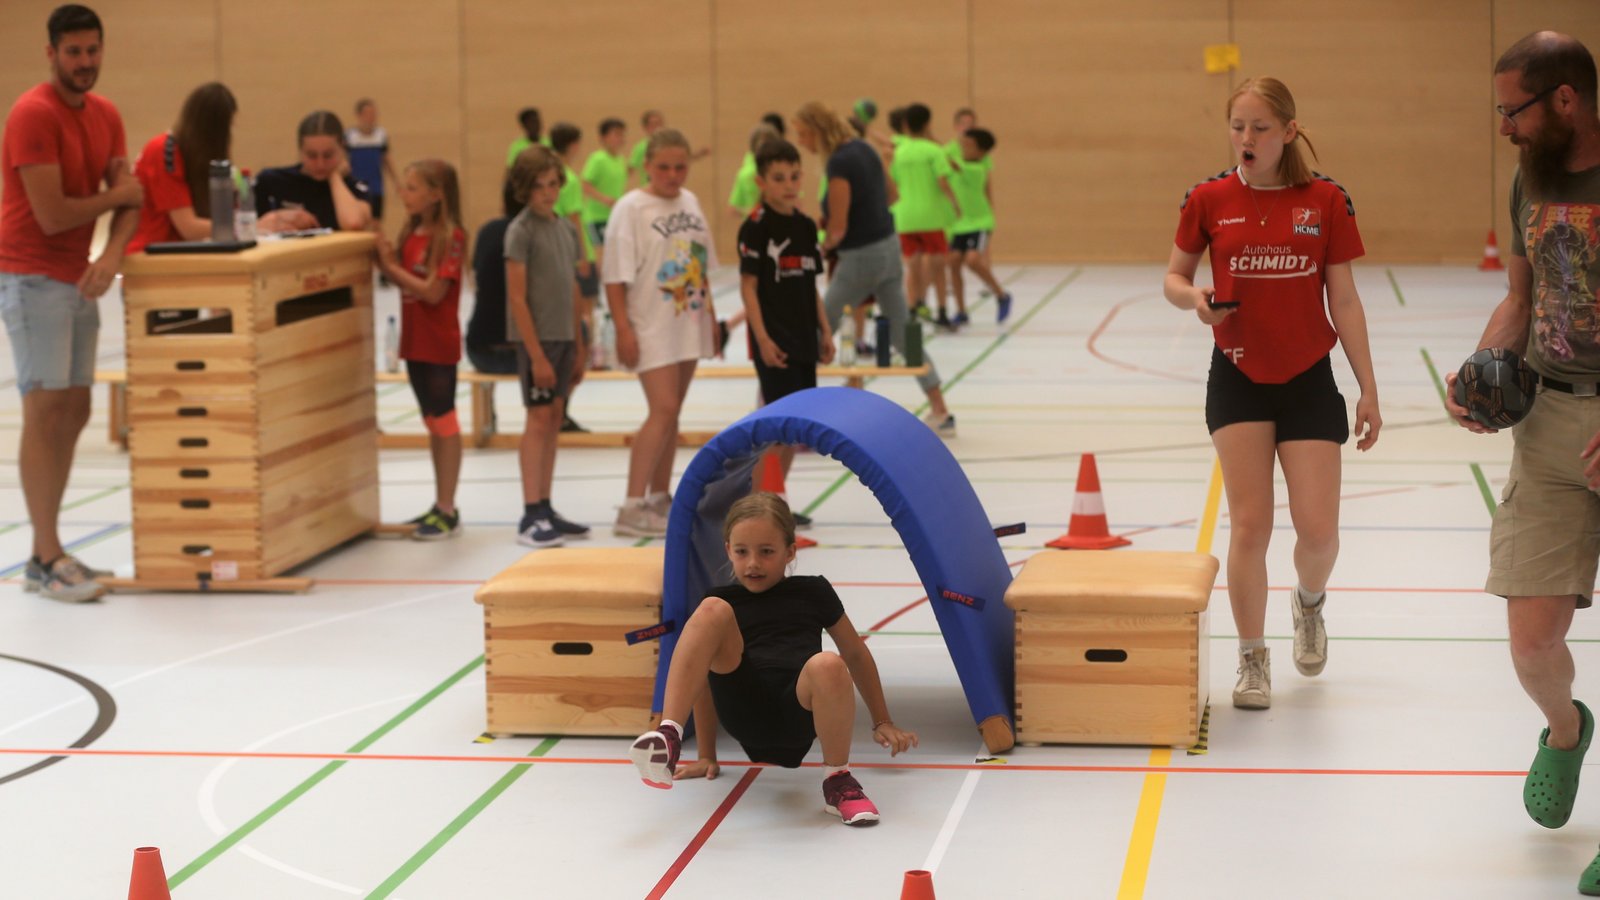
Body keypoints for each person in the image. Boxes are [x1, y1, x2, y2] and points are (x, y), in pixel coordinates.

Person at [1163, 76, 1380, 710]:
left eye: (1260, 127)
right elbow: (1175, 277)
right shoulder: (1208, 197)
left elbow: (1343, 298)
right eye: (1238, 127)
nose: (1247, 139)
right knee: (1250, 526)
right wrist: (1195, 298)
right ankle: (1252, 658)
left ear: (1288, 131)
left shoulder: (1326, 200)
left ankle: (1308, 603)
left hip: (1309, 376)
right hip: (1237, 375)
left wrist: (1368, 388)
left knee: (1319, 534)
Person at [1450, 31, 1600, 894]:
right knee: (1534, 644)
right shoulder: (1530, 177)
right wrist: (1481, 373)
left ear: (1566, 100)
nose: (1504, 127)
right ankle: (1567, 731)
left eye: (1514, 110)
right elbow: (1520, 296)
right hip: (1548, 426)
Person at [629, 493, 917, 825]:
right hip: (743, 706)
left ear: (790, 551)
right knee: (712, 610)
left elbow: (854, 653)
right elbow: (704, 679)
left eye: (766, 552)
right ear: (727, 551)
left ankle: (838, 781)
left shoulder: (813, 591)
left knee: (829, 663)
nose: (753, 563)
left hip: (798, 711)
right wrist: (707, 754)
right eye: (742, 552)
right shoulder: (720, 600)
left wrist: (883, 721)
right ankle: (670, 735)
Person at [2, 3, 141, 603]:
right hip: (31, 276)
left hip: (79, 273)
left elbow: (131, 202)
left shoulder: (105, 114)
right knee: (45, 409)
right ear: (52, 53)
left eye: (93, 51)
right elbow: (54, 213)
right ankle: (46, 552)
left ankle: (47, 551)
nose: (85, 63)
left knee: (78, 408)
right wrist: (117, 195)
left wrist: (110, 256)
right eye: (74, 52)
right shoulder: (33, 114)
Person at [792, 101, 957, 437]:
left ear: (816, 132)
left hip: (861, 257)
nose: (801, 143)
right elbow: (892, 196)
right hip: (889, 248)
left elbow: (838, 227)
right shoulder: (865, 150)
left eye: (802, 135)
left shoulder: (839, 163)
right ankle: (940, 408)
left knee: (822, 323)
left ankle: (795, 408)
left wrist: (820, 248)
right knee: (902, 332)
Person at [602, 128, 718, 537]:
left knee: (673, 413)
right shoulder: (630, 208)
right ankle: (631, 506)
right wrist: (622, 328)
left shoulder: (691, 201)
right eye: (664, 167)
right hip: (648, 322)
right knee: (663, 408)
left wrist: (712, 317)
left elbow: (701, 263)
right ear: (647, 166)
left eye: (680, 166)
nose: (672, 174)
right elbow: (614, 276)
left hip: (686, 320)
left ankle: (658, 496)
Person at [373, 160, 467, 540]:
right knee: (432, 423)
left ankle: (447, 508)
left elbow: (431, 291)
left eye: (411, 187)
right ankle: (440, 504)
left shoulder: (452, 236)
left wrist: (388, 265)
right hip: (413, 343)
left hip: (438, 343)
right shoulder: (411, 231)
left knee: (445, 422)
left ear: (435, 194)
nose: (402, 193)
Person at [504, 146, 589, 547]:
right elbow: (517, 298)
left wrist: (580, 341)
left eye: (553, 184)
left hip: (564, 338)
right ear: (524, 189)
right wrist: (536, 354)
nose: (547, 193)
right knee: (538, 420)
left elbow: (573, 287)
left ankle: (546, 504)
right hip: (536, 341)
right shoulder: (520, 231)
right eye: (538, 187)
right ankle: (529, 513)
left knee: (555, 417)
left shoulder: (566, 229)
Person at [737, 139, 834, 486]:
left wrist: (825, 330)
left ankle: (775, 501)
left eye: (794, 177)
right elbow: (748, 286)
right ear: (761, 182)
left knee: (795, 429)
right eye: (778, 178)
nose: (789, 186)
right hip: (775, 342)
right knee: (777, 431)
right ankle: (761, 506)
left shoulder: (806, 226)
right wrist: (761, 339)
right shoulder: (756, 227)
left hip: (805, 337)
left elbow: (810, 286)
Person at [127, 81, 236, 253]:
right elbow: (190, 228)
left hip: (180, 254)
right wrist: (248, 226)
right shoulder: (164, 151)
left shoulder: (194, 157)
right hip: (150, 255)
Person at [892, 103, 962, 328]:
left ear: (905, 125)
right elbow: (943, 180)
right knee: (937, 266)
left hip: (906, 216)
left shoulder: (899, 153)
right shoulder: (934, 151)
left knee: (912, 265)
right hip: (931, 216)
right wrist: (955, 203)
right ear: (927, 124)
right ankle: (941, 312)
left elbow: (894, 182)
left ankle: (911, 310)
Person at [550, 121, 597, 432]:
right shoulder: (567, 178)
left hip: (560, 255)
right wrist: (581, 256)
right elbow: (574, 218)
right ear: (572, 144)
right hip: (574, 255)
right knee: (583, 325)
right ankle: (563, 406)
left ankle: (561, 405)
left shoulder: (550, 175)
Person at [254, 110, 372, 233]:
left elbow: (353, 223)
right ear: (300, 151)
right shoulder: (271, 180)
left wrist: (335, 177)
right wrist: (274, 219)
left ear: (342, 148)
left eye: (328, 155)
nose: (320, 164)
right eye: (311, 155)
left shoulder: (354, 187)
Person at [944, 127, 1013, 323]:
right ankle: (961, 311)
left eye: (969, 146)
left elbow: (945, 158)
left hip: (980, 222)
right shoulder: (961, 159)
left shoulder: (976, 169)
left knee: (972, 261)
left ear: (982, 152)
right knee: (954, 262)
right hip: (959, 224)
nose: (963, 148)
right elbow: (948, 151)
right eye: (963, 144)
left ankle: (1002, 295)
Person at [465, 181, 519, 376]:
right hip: (523, 354)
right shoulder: (535, 234)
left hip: (480, 351)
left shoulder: (487, 231)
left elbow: (476, 279)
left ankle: (490, 405)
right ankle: (555, 405)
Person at [581, 117, 628, 277]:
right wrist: (604, 199)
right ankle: (602, 292)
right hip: (596, 216)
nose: (619, 138)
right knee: (601, 254)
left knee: (616, 253)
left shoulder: (621, 159)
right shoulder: (597, 159)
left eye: (622, 134)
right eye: (615, 134)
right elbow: (585, 184)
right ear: (603, 137)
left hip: (616, 215)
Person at [346, 98, 398, 225]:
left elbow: (386, 159)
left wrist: (396, 182)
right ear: (359, 115)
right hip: (357, 185)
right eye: (367, 113)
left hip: (375, 186)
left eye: (373, 113)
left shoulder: (381, 135)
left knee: (376, 222)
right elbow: (344, 160)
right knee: (359, 221)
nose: (371, 117)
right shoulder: (350, 136)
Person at [628, 109, 710, 187]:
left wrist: (699, 154)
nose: (657, 127)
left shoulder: (668, 144)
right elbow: (630, 170)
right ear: (646, 127)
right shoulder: (641, 148)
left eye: (660, 123)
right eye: (654, 124)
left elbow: (682, 160)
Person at [727, 123, 781, 222]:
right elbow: (734, 208)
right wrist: (755, 214)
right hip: (757, 228)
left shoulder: (783, 172)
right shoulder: (747, 174)